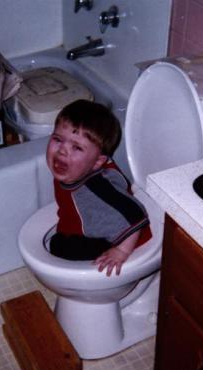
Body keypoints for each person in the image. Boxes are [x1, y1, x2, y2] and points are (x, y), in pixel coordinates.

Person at [46, 99, 151, 276]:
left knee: (59, 247)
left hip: (128, 238)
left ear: (97, 162)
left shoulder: (94, 190)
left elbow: (135, 216)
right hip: (99, 216)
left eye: (77, 147)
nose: (62, 150)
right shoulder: (77, 169)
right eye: (58, 139)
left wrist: (121, 251)